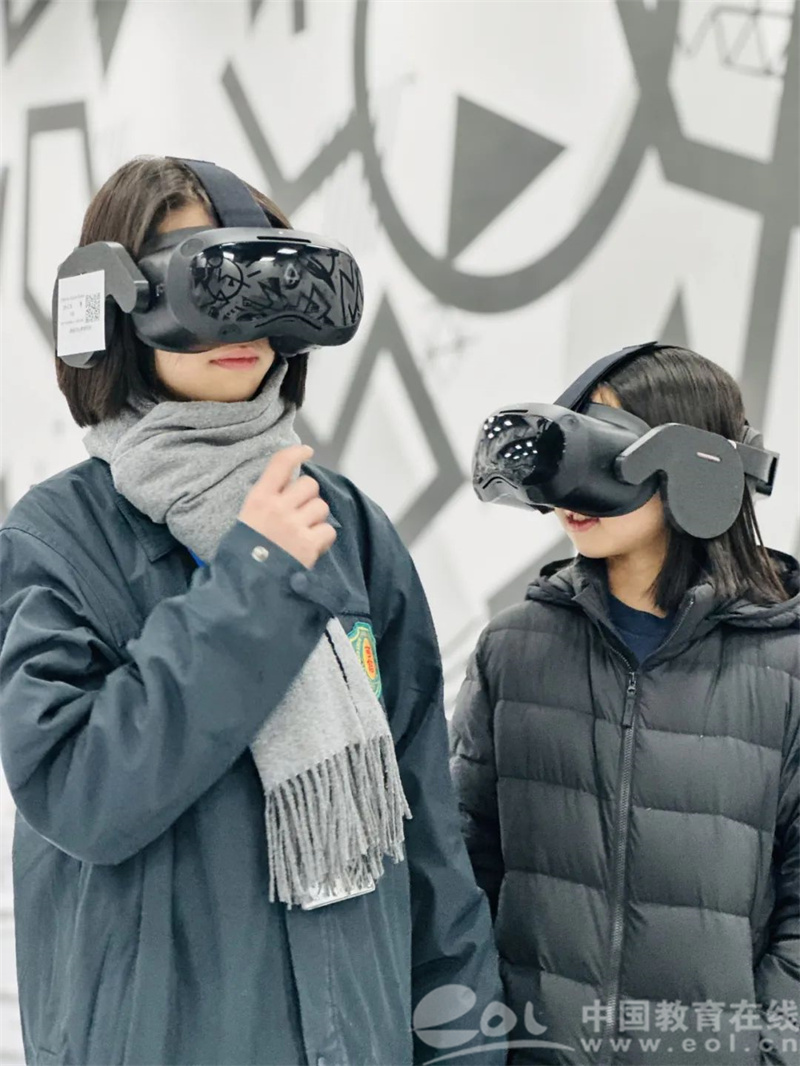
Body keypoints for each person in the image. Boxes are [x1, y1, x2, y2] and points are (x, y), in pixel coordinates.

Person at [0, 156, 503, 1066]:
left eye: (272, 288)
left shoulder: (349, 528)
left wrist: (466, 1046)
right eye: (207, 285)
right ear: (117, 308)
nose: (242, 326)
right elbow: (81, 795)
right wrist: (254, 578)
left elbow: (426, 836)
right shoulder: (56, 536)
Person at [450, 346, 799, 1066]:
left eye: (606, 450)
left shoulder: (786, 665)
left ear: (698, 464)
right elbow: (463, 868)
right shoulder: (514, 648)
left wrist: (763, 1051)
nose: (573, 490)